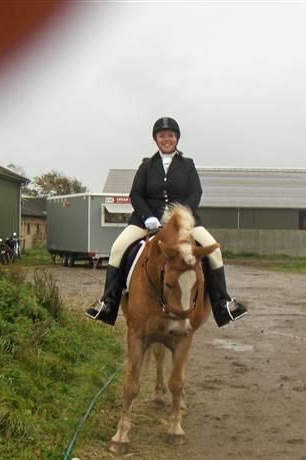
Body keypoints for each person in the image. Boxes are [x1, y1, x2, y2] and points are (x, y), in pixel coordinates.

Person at [85, 116, 248, 327]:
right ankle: (108, 303)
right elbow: (135, 195)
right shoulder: (146, 165)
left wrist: (182, 218)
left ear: (177, 139)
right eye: (162, 136)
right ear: (156, 140)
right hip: (146, 221)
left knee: (214, 251)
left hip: (184, 224)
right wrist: (147, 217)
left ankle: (222, 303)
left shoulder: (188, 165)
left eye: (170, 135)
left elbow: (195, 193)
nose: (166, 139)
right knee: (117, 249)